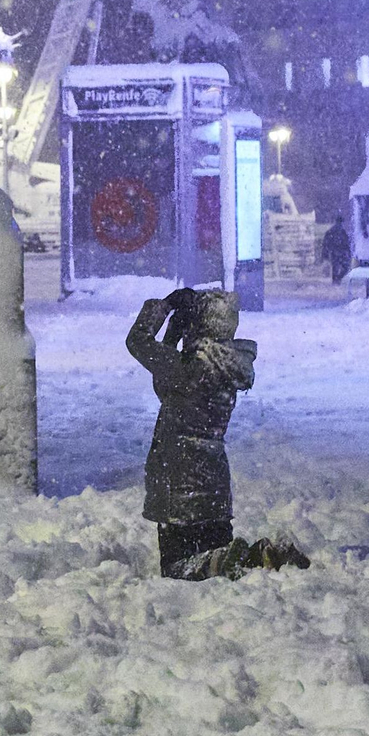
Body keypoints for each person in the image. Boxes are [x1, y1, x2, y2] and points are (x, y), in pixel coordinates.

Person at [126, 288, 310, 580]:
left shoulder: (187, 368)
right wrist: (175, 334)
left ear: (196, 326)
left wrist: (164, 307)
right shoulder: (224, 364)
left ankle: (226, 559)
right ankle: (264, 554)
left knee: (178, 568)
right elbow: (165, 388)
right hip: (213, 484)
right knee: (217, 563)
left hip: (179, 481)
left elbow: (136, 341)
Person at [322, 215, 352, 283]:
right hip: (340, 252)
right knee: (344, 267)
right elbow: (347, 242)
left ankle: (336, 280)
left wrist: (325, 253)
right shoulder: (341, 231)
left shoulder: (332, 231)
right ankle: (337, 279)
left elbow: (325, 243)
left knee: (336, 268)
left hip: (335, 252)